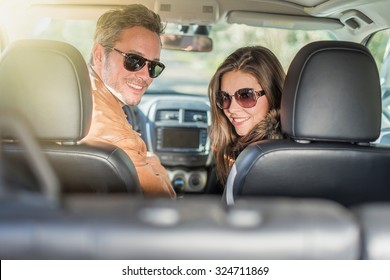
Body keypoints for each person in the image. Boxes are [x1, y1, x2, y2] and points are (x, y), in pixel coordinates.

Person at [81, 4, 176, 198]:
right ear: (99, 55)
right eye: (134, 60)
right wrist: (153, 161)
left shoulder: (81, 95)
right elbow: (163, 202)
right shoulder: (116, 136)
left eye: (153, 66)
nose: (145, 76)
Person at [208, 46, 286, 185]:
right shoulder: (233, 150)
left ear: (273, 94)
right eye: (224, 97)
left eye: (245, 95)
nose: (231, 109)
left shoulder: (264, 159)